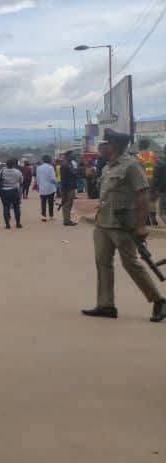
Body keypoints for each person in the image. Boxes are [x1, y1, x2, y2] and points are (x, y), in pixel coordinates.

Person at [84, 129, 166, 322]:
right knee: (103, 264)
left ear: (114, 146)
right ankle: (106, 305)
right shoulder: (107, 167)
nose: (101, 147)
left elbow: (142, 195)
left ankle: (159, 301)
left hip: (124, 226)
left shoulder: (131, 166)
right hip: (103, 223)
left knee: (131, 264)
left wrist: (141, 225)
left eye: (104, 144)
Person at [0, 159, 24, 229]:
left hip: (4, 191)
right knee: (16, 207)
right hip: (14, 191)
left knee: (5, 207)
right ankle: (18, 224)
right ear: (14, 165)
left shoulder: (2, 171)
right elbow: (21, 180)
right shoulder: (17, 172)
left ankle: (7, 225)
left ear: (6, 164)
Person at [36, 155, 58, 221]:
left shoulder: (38, 168)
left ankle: (43, 216)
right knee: (50, 202)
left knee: (43, 202)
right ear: (49, 160)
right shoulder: (50, 167)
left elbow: (37, 178)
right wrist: (57, 185)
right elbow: (52, 178)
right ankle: (51, 215)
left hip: (42, 188)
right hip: (50, 188)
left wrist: (38, 185)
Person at [59, 152, 78, 227]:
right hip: (67, 188)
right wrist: (64, 191)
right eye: (71, 155)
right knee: (67, 204)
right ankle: (66, 220)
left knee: (69, 204)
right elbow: (63, 179)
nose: (73, 156)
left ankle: (68, 219)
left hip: (71, 187)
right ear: (67, 156)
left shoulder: (69, 164)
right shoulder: (65, 165)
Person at [153, 145, 166, 225]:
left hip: (163, 191)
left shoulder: (160, 163)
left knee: (162, 213)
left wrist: (154, 191)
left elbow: (156, 178)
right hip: (163, 190)